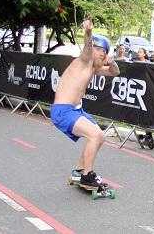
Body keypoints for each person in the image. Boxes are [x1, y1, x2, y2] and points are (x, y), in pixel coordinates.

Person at [51, 18, 120, 190]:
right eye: (100, 50)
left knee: (100, 137)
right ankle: (87, 176)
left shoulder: (94, 68)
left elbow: (115, 72)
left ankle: (79, 171)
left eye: (105, 51)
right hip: (63, 111)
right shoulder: (83, 61)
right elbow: (87, 49)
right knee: (94, 136)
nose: (103, 54)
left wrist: (112, 62)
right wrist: (88, 32)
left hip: (76, 110)